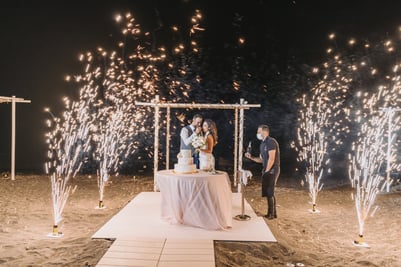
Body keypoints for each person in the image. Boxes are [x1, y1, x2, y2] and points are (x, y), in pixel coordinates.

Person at [245, 124, 280, 220]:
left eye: (259, 131)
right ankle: (272, 213)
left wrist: (267, 171)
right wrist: (251, 157)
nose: (258, 133)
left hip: (272, 169)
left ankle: (272, 214)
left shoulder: (271, 142)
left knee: (270, 191)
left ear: (265, 132)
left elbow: (272, 159)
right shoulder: (262, 144)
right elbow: (261, 160)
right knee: (268, 192)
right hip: (266, 169)